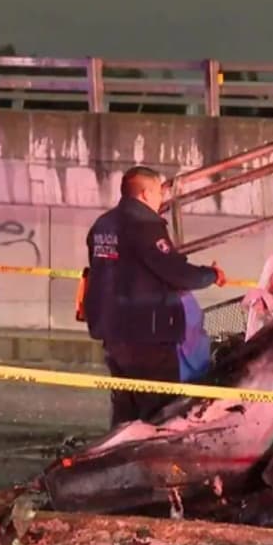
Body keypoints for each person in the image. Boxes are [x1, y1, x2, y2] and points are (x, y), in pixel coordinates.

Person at [81, 165, 227, 427]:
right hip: (147, 336)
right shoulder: (145, 225)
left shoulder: (102, 225)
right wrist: (211, 274)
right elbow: (176, 272)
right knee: (160, 412)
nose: (162, 198)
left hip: (113, 335)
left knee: (126, 409)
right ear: (146, 193)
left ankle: (120, 449)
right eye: (159, 192)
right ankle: (154, 452)